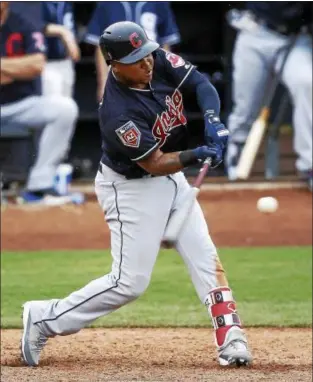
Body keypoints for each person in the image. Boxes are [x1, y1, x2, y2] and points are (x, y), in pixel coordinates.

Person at [20, 21, 252, 368]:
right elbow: (155, 162)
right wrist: (195, 155)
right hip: (130, 188)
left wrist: (212, 120)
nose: (147, 63)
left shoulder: (155, 59)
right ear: (114, 64)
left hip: (172, 180)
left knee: (205, 256)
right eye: (137, 59)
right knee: (128, 283)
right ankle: (43, 318)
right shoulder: (117, 112)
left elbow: (201, 84)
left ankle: (231, 336)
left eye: (147, 54)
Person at [225, 2, 312, 190]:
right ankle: (236, 155)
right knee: (246, 106)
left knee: (306, 83)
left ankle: (309, 165)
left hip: (296, 38)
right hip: (256, 31)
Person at [0, 2, 78, 205]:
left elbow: (36, 64)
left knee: (64, 109)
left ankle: (39, 184)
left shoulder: (22, 23)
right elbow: (26, 66)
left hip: (20, 104)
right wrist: (16, 69)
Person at [84, 1, 181, 101]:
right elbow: (100, 47)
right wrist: (103, 81)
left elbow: (166, 44)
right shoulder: (107, 3)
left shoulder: (159, 3)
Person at [41, 1, 80, 97]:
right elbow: (32, 24)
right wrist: (62, 32)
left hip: (65, 61)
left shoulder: (66, 3)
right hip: (45, 63)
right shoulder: (37, 4)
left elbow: (70, 27)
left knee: (67, 103)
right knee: (51, 105)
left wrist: (73, 42)